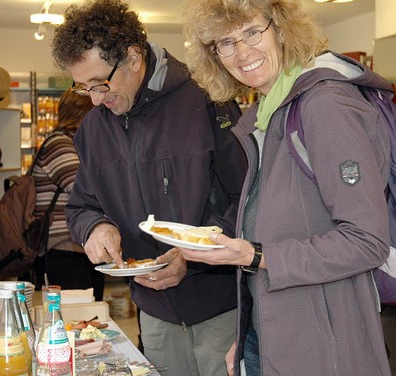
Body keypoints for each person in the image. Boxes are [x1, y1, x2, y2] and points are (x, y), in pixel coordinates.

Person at [182, 0, 393, 374]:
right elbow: (281, 228)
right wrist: (250, 334)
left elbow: (366, 241)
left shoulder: (325, 106)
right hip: (281, 333)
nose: (242, 52)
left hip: (326, 347)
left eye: (251, 32)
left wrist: (255, 255)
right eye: (225, 42)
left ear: (279, 29)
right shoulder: (268, 113)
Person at [52, 0, 248, 374]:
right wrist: (96, 227)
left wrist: (188, 257)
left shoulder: (207, 101)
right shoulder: (94, 130)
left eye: (100, 83)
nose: (95, 99)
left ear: (132, 58)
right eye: (83, 87)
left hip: (221, 307)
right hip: (154, 314)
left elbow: (248, 199)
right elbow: (81, 207)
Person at [30, 90, 106, 303]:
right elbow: (85, 190)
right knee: (78, 316)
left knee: (88, 314)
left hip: (77, 247)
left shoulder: (73, 144)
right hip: (65, 248)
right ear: (84, 114)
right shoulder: (59, 144)